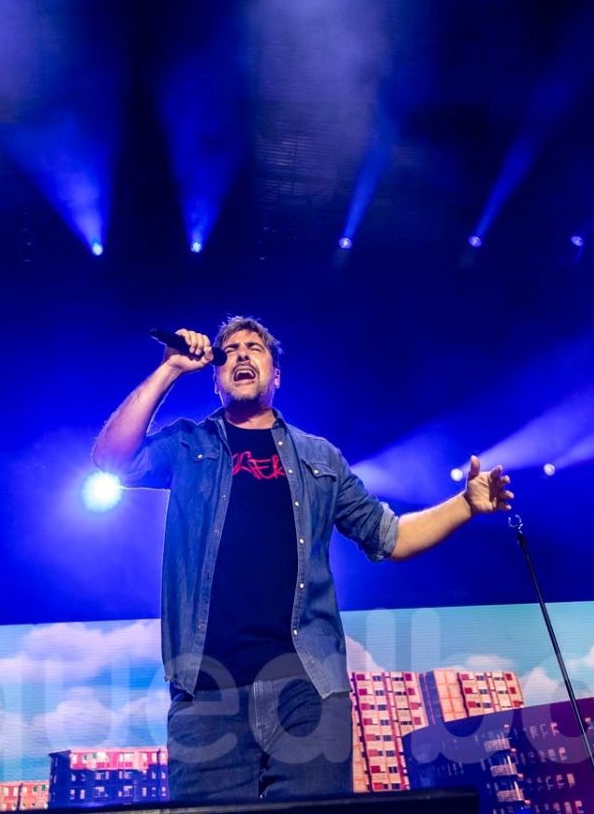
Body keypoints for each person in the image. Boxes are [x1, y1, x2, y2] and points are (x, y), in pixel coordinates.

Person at [93, 316, 512, 802]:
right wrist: (169, 370)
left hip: (306, 690)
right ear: (216, 378)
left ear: (276, 375)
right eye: (231, 349)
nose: (242, 353)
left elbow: (392, 537)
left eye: (255, 348)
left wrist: (465, 505)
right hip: (206, 694)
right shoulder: (190, 444)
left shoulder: (320, 458)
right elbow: (111, 460)